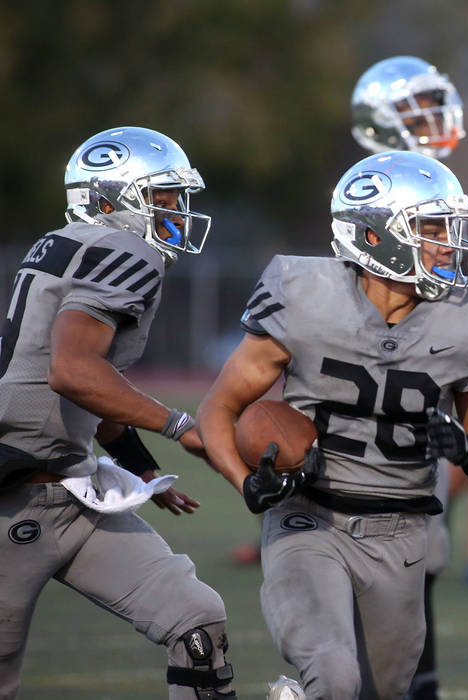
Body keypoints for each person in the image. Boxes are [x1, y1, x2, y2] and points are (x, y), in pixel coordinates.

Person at [196, 150, 468, 699]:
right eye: (432, 227)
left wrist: (466, 448)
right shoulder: (304, 294)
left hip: (402, 532)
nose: (450, 242)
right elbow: (218, 409)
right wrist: (246, 482)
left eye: (450, 226)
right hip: (309, 518)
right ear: (373, 237)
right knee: (335, 675)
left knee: (380, 693)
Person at [0, 127, 238, 699]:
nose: (177, 211)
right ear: (111, 200)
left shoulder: (62, 242)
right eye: (163, 196)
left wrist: (144, 467)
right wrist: (179, 425)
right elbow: (72, 371)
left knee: (196, 618)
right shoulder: (123, 248)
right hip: (12, 502)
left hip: (72, 496)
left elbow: (92, 387)